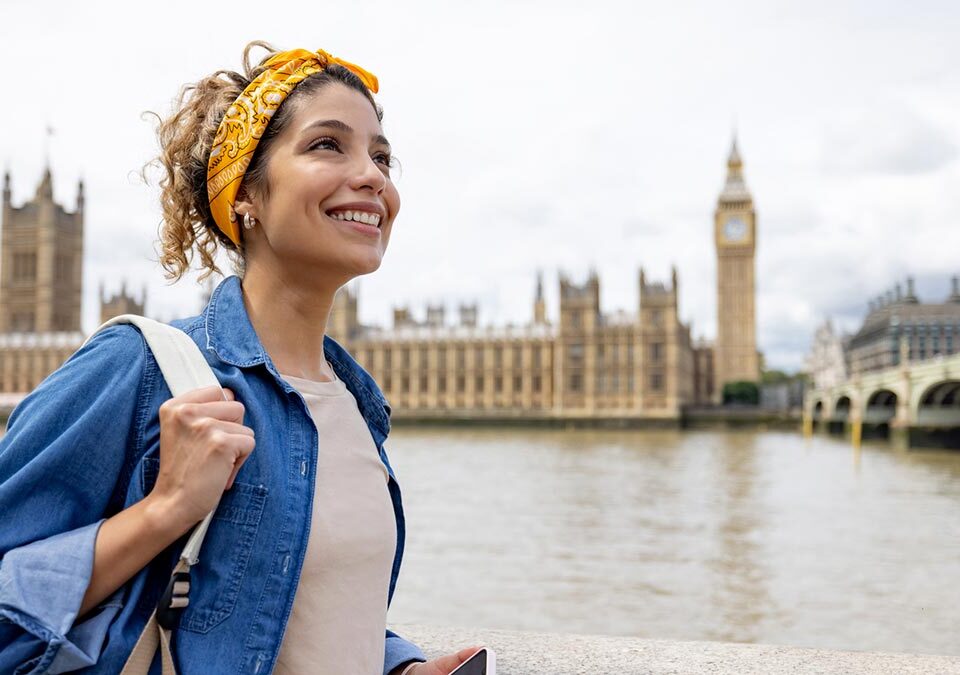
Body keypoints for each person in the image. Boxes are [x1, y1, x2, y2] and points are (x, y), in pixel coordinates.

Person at [0, 42, 482, 674]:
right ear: (246, 194)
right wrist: (165, 509)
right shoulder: (143, 368)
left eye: (382, 155)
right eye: (327, 145)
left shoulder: (356, 403)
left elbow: (283, 596)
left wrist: (397, 665)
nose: (372, 175)